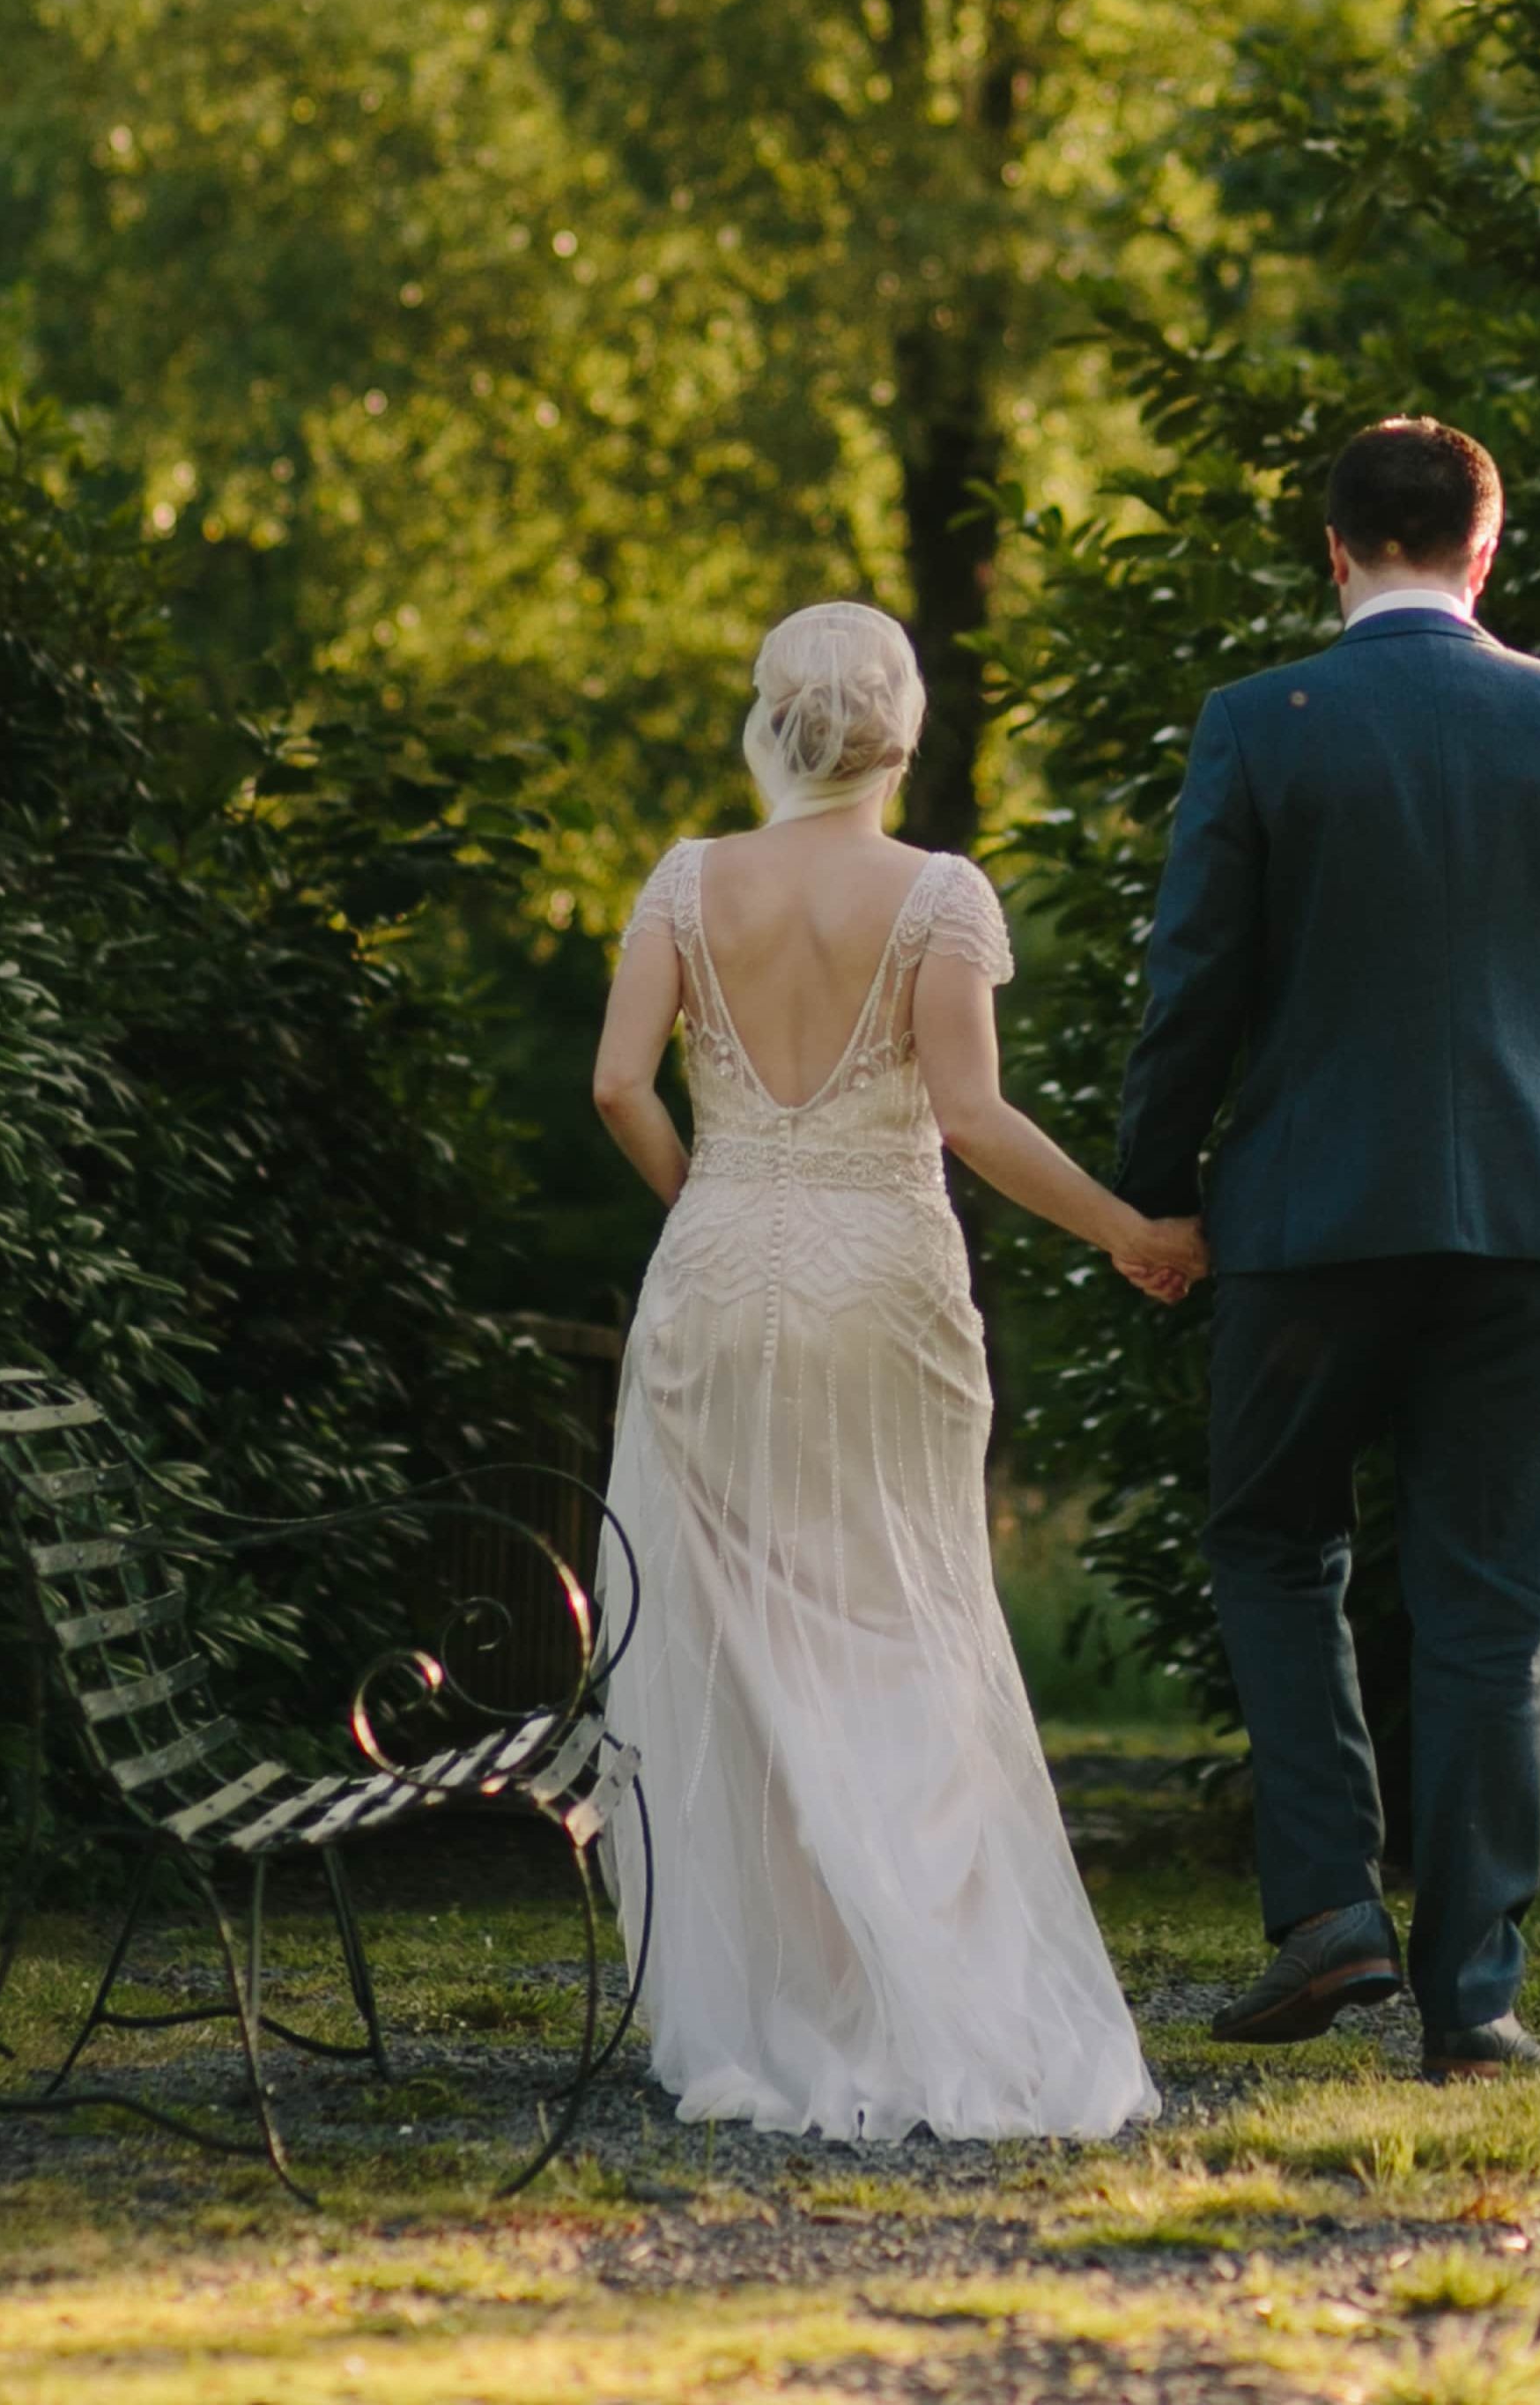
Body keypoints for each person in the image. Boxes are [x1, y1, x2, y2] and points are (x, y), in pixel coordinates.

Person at [1112, 417, 1540, 2082]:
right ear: (1484, 549)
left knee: (1272, 1540)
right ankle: (1475, 2001)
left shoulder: (1257, 727)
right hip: (1532, 1225)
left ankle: (1325, 1905)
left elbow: (1195, 985)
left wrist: (1157, 1192)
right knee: (1489, 1603)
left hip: (1306, 1221)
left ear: (1333, 548)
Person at [581, 602, 1207, 2140]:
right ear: (900, 728)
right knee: (900, 1611)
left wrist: (708, 1199)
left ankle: (779, 1996)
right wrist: (1134, 1226)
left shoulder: (684, 881)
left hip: (716, 1275)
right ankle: (915, 1973)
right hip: (886, 1283)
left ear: (767, 723)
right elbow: (976, 1121)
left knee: (738, 1632)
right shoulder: (937, 893)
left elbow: (614, 1084)